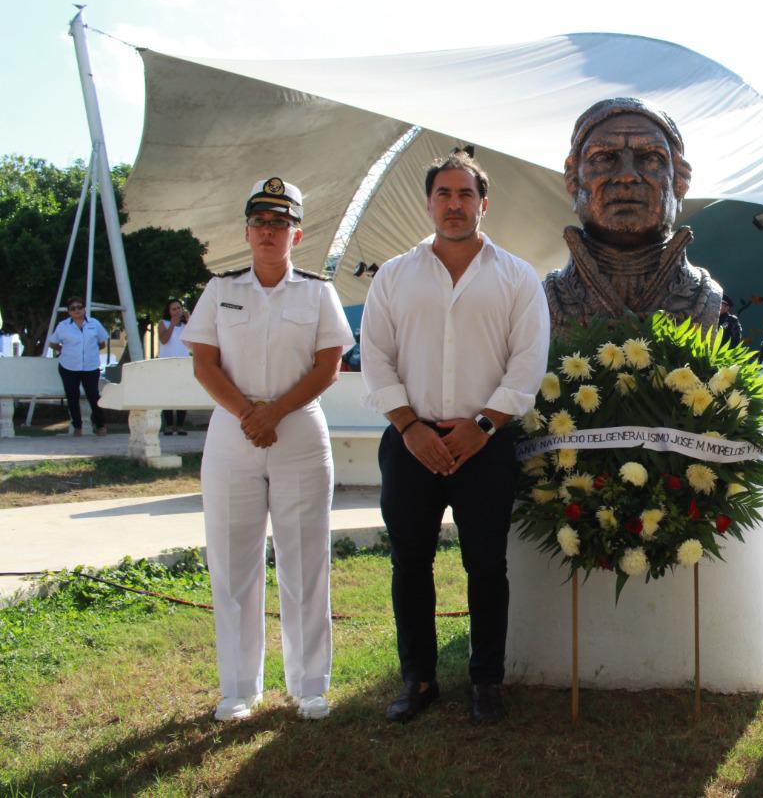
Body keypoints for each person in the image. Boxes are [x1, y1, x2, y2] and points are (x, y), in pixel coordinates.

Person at [361, 151, 550, 725]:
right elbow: (374, 356)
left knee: (486, 565)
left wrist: (485, 425)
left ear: (483, 204)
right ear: (428, 203)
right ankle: (418, 680)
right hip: (411, 442)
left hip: (485, 446)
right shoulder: (395, 274)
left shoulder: (517, 276)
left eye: (465, 194)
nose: (454, 204)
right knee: (410, 563)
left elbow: (528, 363)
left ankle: (486, 682)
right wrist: (410, 427)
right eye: (443, 194)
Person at [184, 177, 353, 722]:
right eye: (259, 222)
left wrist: (273, 412)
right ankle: (238, 687)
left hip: (297, 429)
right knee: (233, 563)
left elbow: (329, 365)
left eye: (280, 223)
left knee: (305, 560)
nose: (268, 232)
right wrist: (248, 414)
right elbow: (204, 362)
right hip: (234, 430)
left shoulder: (317, 292)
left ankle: (309, 685)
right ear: (246, 230)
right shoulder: (220, 289)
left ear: (296, 234)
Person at [543, 97, 721, 329]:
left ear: (680, 182)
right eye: (604, 157)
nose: (627, 175)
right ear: (573, 180)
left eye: (650, 158)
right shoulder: (546, 299)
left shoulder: (705, 297)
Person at [47, 295, 110, 436]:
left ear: (84, 309)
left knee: (93, 395)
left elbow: (102, 342)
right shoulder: (63, 326)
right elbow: (53, 342)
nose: (77, 310)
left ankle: (100, 425)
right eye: (73, 308)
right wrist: (65, 350)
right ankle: (77, 427)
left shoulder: (94, 323)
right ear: (69, 311)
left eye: (79, 307)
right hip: (68, 366)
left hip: (90, 366)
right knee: (72, 396)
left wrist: (89, 351)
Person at [157, 298, 191, 435]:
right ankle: (169, 425)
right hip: (167, 363)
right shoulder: (163, 323)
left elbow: (195, 338)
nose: (177, 311)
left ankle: (181, 425)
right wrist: (172, 325)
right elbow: (164, 340)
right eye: (174, 309)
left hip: (183, 363)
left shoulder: (186, 325)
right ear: (169, 311)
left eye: (179, 308)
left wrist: (189, 321)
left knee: (183, 394)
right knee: (167, 394)